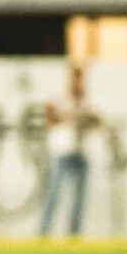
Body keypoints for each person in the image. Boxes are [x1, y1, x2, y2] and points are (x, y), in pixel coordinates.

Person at [39, 63, 100, 238]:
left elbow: (97, 120)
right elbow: (50, 117)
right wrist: (71, 116)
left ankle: (74, 233)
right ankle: (44, 231)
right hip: (61, 150)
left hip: (80, 151)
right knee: (54, 193)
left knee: (79, 198)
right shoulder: (60, 98)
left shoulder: (85, 101)